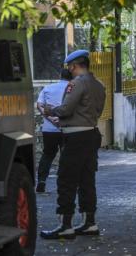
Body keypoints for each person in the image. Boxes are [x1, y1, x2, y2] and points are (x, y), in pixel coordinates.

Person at [41, 50, 106, 239]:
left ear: (73, 66)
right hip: (91, 133)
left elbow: (66, 108)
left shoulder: (77, 83)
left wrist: (50, 109)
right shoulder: (98, 84)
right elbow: (96, 111)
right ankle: (89, 223)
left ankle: (65, 225)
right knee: (87, 180)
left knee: (66, 180)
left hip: (75, 138)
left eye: (69, 66)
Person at [35, 69, 72, 193]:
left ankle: (41, 181)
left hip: (49, 129)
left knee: (48, 154)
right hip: (67, 128)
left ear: (59, 76)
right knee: (66, 155)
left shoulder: (48, 88)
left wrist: (49, 118)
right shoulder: (73, 89)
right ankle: (65, 183)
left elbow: (39, 105)